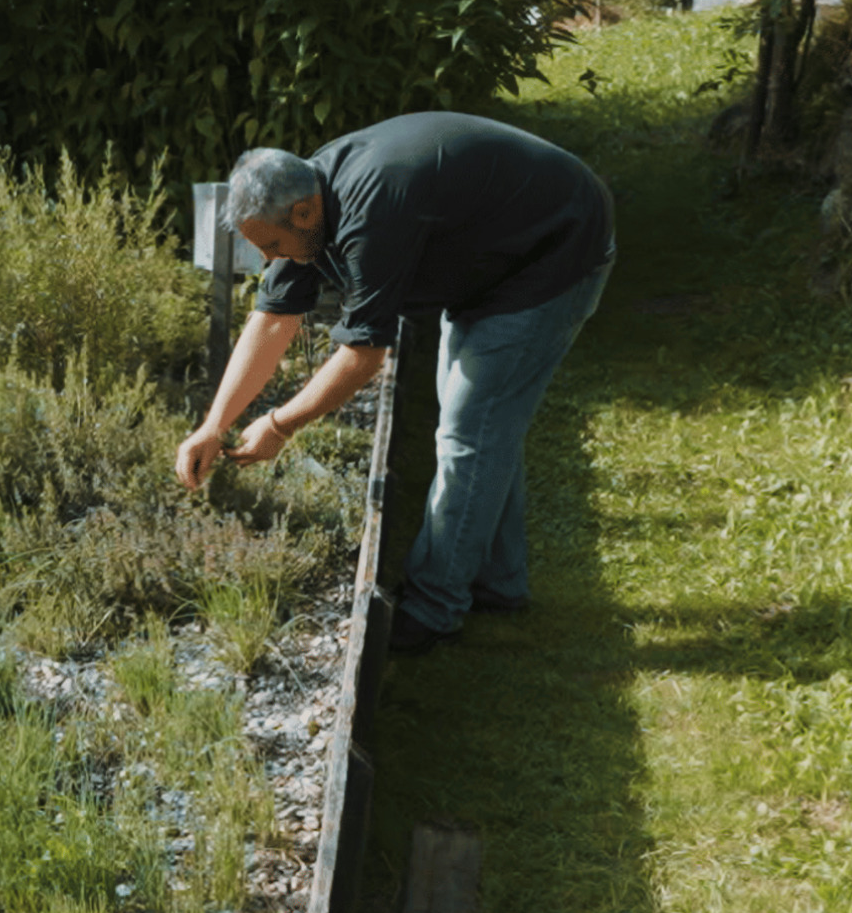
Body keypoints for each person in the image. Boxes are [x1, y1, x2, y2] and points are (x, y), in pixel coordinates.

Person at [173, 111, 615, 654]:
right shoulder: (302, 203)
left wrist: (280, 425)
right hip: (497, 259)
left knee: (470, 430)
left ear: (304, 213)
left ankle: (432, 610)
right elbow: (271, 320)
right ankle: (499, 585)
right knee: (480, 426)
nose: (267, 258)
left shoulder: (370, 213)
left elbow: (363, 357)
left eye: (270, 245)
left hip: (554, 251)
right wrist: (213, 425)